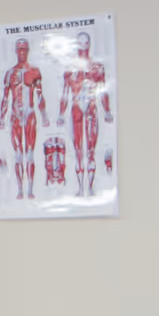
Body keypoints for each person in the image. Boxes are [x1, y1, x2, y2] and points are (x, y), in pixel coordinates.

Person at [57, 30, 113, 197]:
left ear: (88, 45)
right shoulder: (69, 70)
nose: (82, 49)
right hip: (76, 110)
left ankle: (89, 188)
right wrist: (60, 114)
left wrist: (107, 111)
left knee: (90, 151)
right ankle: (81, 188)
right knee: (79, 152)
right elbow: (65, 93)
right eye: (79, 45)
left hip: (90, 109)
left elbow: (102, 92)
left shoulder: (97, 68)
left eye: (84, 45)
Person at [0, 38, 48, 199]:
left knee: (30, 153)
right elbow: (5, 98)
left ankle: (30, 189)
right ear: (15, 51)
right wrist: (2, 118)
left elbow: (40, 96)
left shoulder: (34, 71)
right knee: (18, 153)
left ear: (28, 51)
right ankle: (20, 190)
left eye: (24, 49)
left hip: (30, 114)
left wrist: (44, 116)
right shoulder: (10, 74)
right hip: (16, 115)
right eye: (19, 50)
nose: (22, 52)